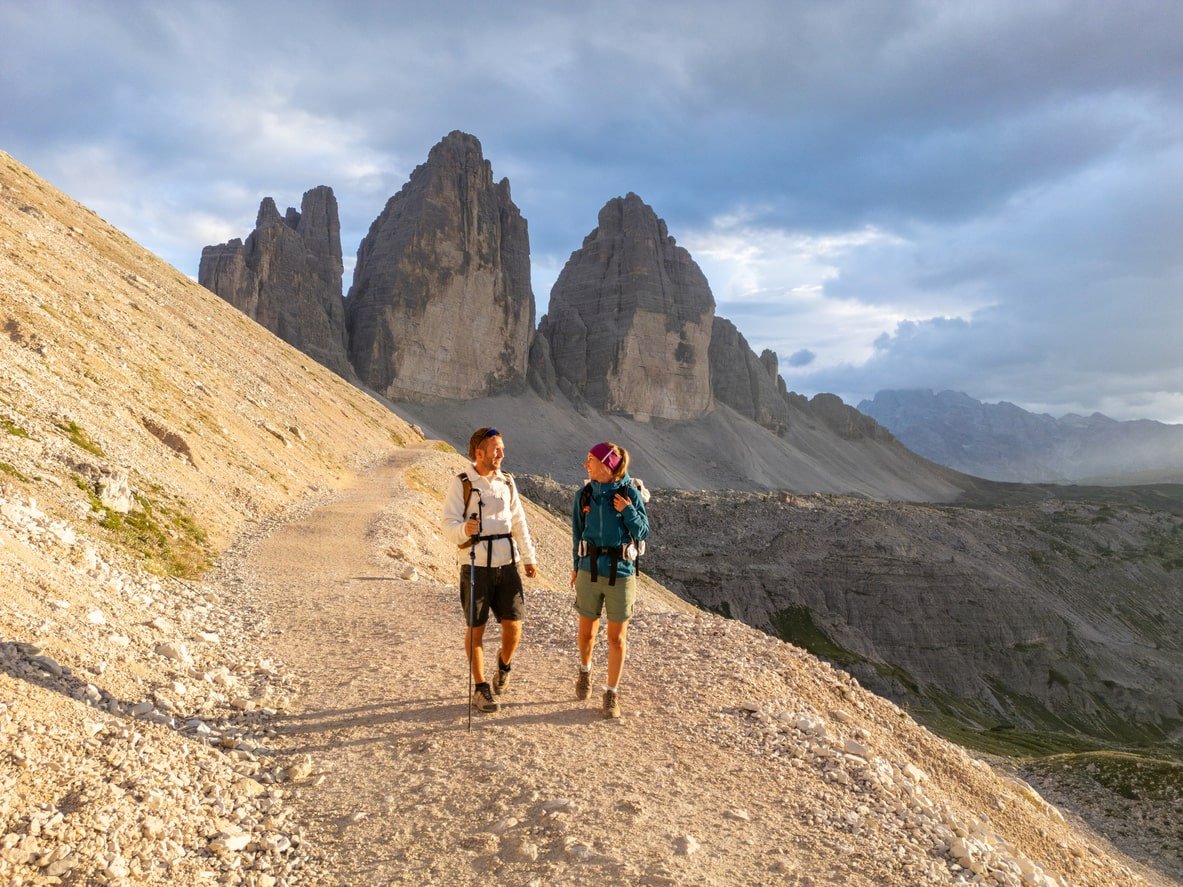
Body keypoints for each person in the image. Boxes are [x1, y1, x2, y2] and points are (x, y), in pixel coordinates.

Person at [442, 427, 538, 714]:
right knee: (476, 627)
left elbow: (519, 522)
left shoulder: (507, 482)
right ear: (478, 453)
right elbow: (447, 525)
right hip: (475, 566)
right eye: (496, 449)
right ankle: (481, 688)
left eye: (502, 448)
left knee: (514, 625)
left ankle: (504, 664)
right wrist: (464, 530)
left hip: (507, 564)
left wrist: (529, 558)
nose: (502, 453)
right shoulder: (461, 483)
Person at [570, 441, 649, 719]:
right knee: (587, 633)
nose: (585, 464)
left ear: (606, 465)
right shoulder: (583, 495)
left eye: (590, 459)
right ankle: (585, 671)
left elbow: (643, 531)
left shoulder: (630, 494)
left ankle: (611, 693)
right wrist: (575, 567)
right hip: (589, 570)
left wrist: (628, 510)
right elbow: (577, 534)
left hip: (622, 573)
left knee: (616, 639)